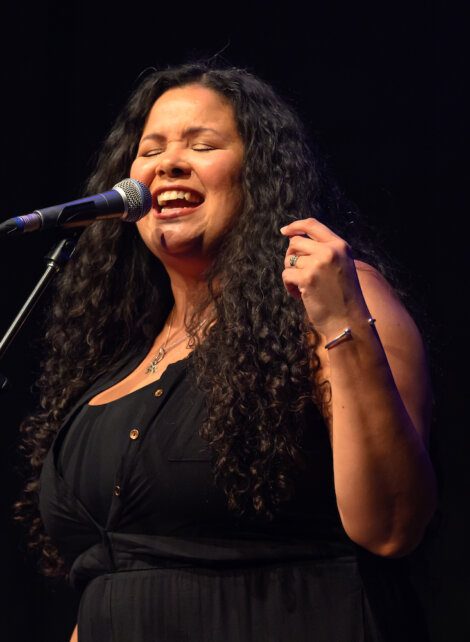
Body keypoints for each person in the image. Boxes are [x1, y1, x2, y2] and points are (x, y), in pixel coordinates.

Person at [15, 62, 437, 642]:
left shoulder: (327, 299)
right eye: (151, 148)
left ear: (257, 175)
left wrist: (341, 318)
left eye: (202, 144)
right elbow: (108, 580)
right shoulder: (121, 352)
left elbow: (390, 526)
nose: (168, 163)